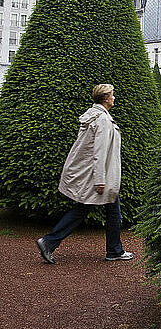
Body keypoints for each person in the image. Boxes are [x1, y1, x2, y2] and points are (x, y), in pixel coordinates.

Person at [36, 84, 133, 264]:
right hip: (96, 176)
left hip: (92, 173)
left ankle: (50, 242)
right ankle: (113, 250)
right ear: (105, 99)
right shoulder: (102, 120)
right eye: (112, 95)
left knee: (87, 210)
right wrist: (100, 180)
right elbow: (99, 151)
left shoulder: (93, 115)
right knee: (106, 211)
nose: (114, 98)